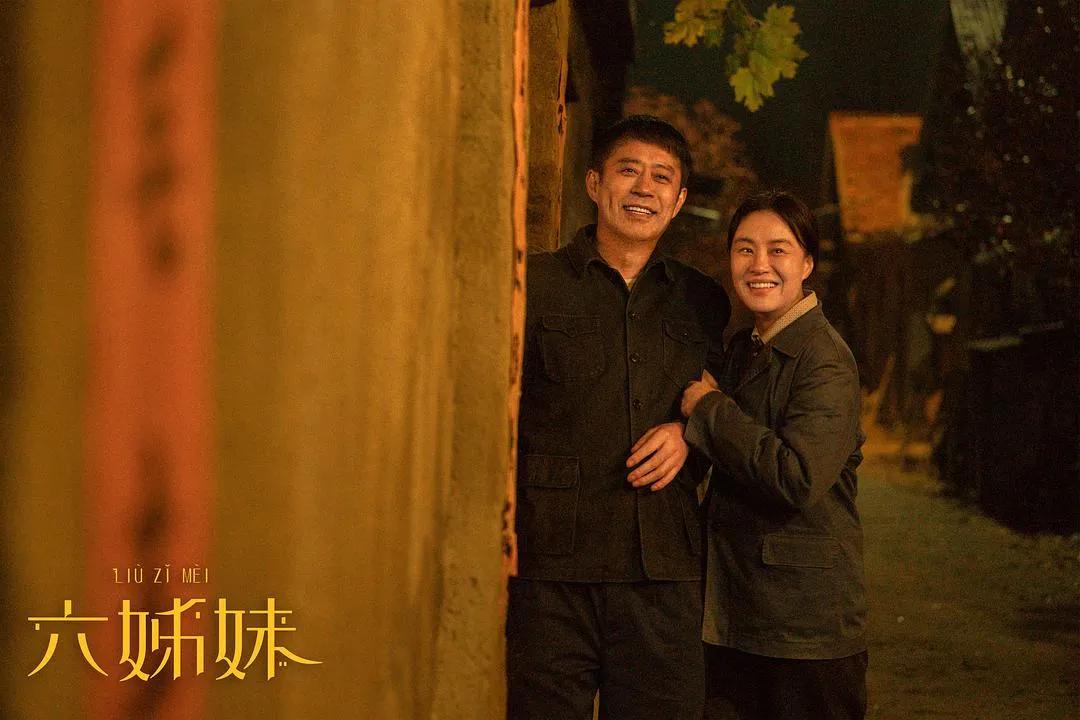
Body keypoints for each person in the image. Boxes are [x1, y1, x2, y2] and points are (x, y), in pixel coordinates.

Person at [508, 115, 729, 720]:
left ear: (678, 201)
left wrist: (689, 435)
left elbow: (721, 404)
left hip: (663, 570)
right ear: (594, 183)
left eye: (662, 177)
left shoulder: (702, 301)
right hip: (551, 570)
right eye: (628, 170)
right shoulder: (533, 285)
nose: (643, 188)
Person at [681, 190, 868, 720]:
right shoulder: (745, 348)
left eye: (778, 250)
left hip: (804, 628)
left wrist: (710, 410)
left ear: (807, 264)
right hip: (739, 617)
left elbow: (798, 476)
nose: (759, 265)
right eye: (745, 249)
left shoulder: (825, 359)